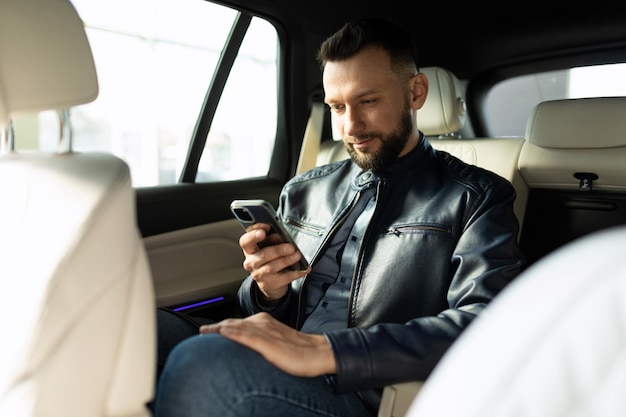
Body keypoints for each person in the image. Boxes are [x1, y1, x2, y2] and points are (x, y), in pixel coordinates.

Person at [153, 18, 524, 417]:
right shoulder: (305, 189)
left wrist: (325, 351)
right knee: (142, 328)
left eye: (368, 101)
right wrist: (267, 291)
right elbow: (259, 310)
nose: (351, 127)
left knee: (201, 363)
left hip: (363, 392)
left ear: (415, 92)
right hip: (281, 362)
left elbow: (485, 324)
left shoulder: (477, 196)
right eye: (337, 107)